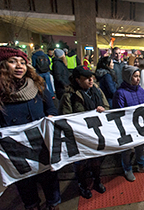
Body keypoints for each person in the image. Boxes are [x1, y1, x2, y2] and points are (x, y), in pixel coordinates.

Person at [0, 46, 61, 210]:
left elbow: (52, 108)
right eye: (13, 62)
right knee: (25, 183)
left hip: (41, 144)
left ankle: (53, 204)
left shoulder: (37, 85)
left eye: (22, 62)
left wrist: (51, 117)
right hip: (16, 150)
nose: (19, 66)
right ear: (3, 66)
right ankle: (32, 205)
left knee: (49, 176)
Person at [59, 65, 109, 199]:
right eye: (86, 78)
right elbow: (66, 117)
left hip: (96, 133)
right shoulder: (69, 96)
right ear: (77, 80)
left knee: (96, 160)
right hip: (79, 136)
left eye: (91, 77)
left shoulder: (97, 90)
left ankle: (97, 180)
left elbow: (107, 106)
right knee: (80, 163)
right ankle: (82, 184)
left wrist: (103, 109)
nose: (90, 80)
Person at [112, 65, 144, 182]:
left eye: (138, 76)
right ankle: (127, 169)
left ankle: (141, 165)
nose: (138, 79)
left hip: (139, 126)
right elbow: (118, 112)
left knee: (140, 146)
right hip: (127, 128)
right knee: (126, 150)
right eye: (135, 76)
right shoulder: (120, 93)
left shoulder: (141, 90)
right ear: (128, 77)